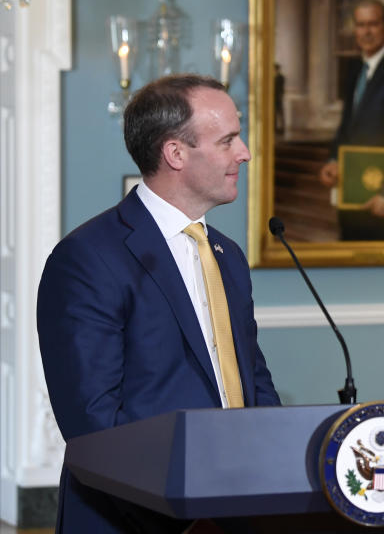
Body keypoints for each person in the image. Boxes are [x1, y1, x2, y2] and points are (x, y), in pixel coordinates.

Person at [37, 74, 282, 533]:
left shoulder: (227, 255)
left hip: (237, 510)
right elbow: (93, 420)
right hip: (137, 518)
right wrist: (185, 516)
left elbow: (253, 380)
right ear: (175, 153)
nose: (244, 152)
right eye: (228, 140)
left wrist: (272, 473)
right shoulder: (88, 258)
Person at [318, 0, 384, 241]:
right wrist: (334, 160)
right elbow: (347, 126)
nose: (366, 31)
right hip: (353, 196)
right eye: (360, 24)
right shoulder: (355, 70)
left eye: (373, 24)